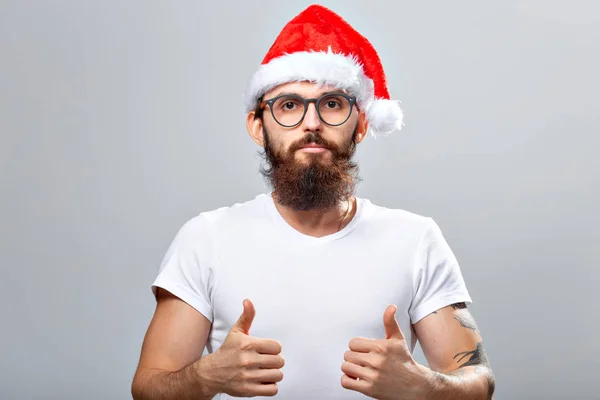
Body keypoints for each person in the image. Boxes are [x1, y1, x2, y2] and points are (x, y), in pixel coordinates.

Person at [131, 4, 495, 400]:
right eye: (289, 105)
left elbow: (477, 381)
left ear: (361, 126)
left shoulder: (416, 239)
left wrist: (421, 386)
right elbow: (148, 386)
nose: (311, 123)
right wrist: (203, 378)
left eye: (332, 104)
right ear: (258, 125)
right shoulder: (205, 238)